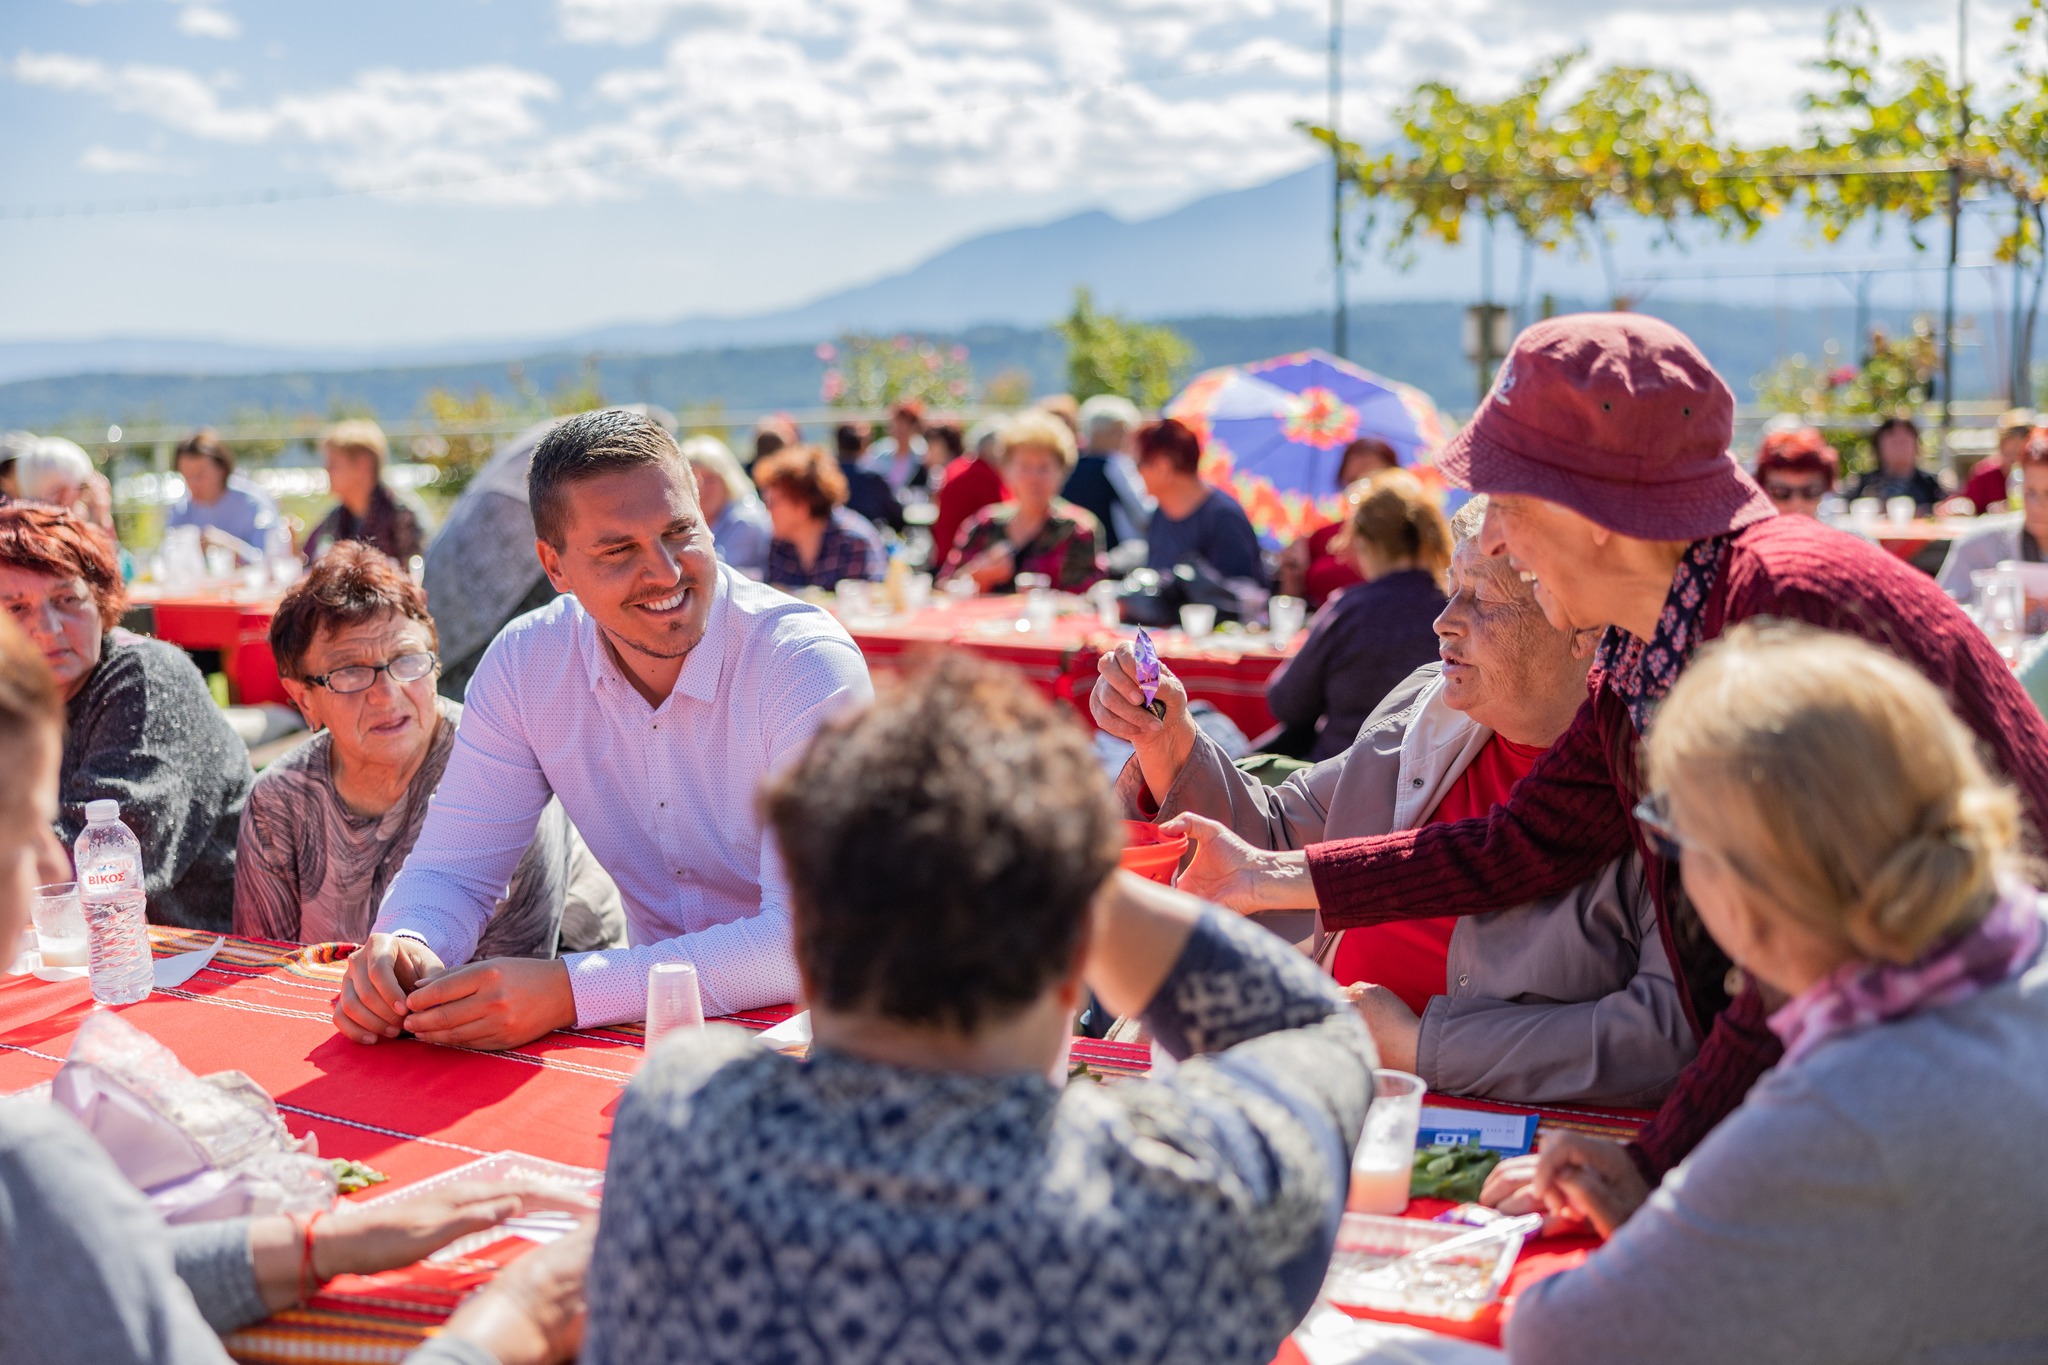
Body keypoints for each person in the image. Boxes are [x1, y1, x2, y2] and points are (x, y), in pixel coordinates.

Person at [1128, 313, 2048, 1183]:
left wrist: (1651, 1172)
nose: (1493, 535)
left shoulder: (1776, 603)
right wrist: (1261, 872)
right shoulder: (1656, 630)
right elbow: (1527, 842)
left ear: (1593, 513)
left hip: (1987, 1056)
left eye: (1507, 505)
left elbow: (1801, 957)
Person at [580, 656, 1374, 1364]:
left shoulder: (681, 1119)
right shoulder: (1177, 1207)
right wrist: (1072, 878)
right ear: (1075, 958)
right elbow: (1313, 1030)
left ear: (809, 949)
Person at [0, 614, 594, 1365]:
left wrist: (319, 1242)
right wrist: (512, 1324)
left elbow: (93, 1278)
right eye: (27, 832)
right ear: (304, 697)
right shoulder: (23, 1164)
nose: (57, 871)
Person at [1500, 625, 2048, 1364]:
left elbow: (1558, 1335)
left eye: (1669, 828)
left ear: (1749, 886)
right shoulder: (2014, 951)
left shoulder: (1851, 1096)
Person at [1099, 497, 1693, 1107]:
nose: (1444, 622)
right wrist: (1169, 742)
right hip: (1328, 1084)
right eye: (1450, 590)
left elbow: (1663, 1038)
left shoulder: (1657, 778)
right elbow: (1274, 838)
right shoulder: (1426, 708)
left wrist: (1418, 1047)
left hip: (1505, 1142)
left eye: (1481, 598)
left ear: (1583, 622)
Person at [333, 409, 872, 1051]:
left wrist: (569, 991)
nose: (667, 572)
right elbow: (455, 871)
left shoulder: (802, 665)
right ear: (554, 568)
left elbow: (803, 940)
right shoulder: (528, 663)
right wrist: (408, 942)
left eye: (681, 532)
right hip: (646, 1032)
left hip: (845, 1030)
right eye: (619, 551)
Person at [236, 543, 623, 955]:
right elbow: (264, 969)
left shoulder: (502, 768)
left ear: (434, 660)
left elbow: (512, 970)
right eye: (350, 672)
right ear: (303, 698)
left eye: (406, 660)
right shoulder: (279, 801)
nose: (387, 696)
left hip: (562, 998)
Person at [0, 505, 249, 931]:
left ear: (101, 602)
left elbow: (102, 866)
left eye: (66, 600)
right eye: (17, 608)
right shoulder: (16, 694)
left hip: (186, 960)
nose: (49, 629)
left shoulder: (146, 680)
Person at [1264, 469, 1451, 762]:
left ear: (1365, 542)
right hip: (1432, 774)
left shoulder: (1351, 609)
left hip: (1340, 776)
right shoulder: (1455, 607)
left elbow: (1286, 702)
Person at [938, 410, 1103, 593]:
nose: (1034, 478)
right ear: (1006, 470)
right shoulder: (984, 525)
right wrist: (977, 576)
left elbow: (1089, 600)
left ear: (1062, 472)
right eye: (1025, 467)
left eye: (1044, 467)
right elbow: (942, 591)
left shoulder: (1078, 530)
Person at [1137, 416, 1264, 583]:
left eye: (1139, 464)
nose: (1137, 472)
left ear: (1163, 467)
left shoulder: (1224, 518)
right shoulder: (1161, 512)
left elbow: (1244, 596)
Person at [1277, 436, 1400, 606]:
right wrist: (1292, 573)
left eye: (1371, 480)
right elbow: (1291, 602)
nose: (1360, 489)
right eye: (1352, 481)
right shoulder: (1319, 538)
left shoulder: (1406, 537)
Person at [1937, 427, 2048, 608]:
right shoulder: (1981, 542)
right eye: (2030, 492)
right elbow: (1940, 613)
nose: (2038, 505)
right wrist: (1995, 608)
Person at [756, 444, 887, 589]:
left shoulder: (854, 542)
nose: (767, 510)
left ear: (802, 507)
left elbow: (866, 603)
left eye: (772, 502)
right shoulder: (778, 545)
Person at [303, 420, 429, 567]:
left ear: (364, 464)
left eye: (333, 463)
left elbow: (421, 575)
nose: (327, 470)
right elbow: (308, 562)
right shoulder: (337, 518)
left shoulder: (402, 514)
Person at [165, 429, 281, 561]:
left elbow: (270, 560)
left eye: (200, 475)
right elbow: (168, 557)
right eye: (186, 476)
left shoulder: (253, 504)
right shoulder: (182, 508)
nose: (193, 484)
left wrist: (229, 546)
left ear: (222, 468)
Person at [1061, 393, 1150, 552]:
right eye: (1120, 432)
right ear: (1100, 433)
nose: (1125, 439)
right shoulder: (1114, 464)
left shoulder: (1071, 462)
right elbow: (1142, 514)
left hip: (1073, 548)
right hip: (1113, 553)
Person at [678, 435, 770, 578]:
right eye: (693, 480)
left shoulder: (745, 521)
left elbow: (713, 573)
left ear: (728, 480)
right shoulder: (686, 522)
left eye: (710, 479)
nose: (701, 488)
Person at [927, 418, 1008, 568]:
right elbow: (1006, 515)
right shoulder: (985, 477)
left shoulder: (956, 467)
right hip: (963, 561)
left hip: (944, 555)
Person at [1843, 413, 1945, 514]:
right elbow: (1842, 506)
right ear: (1878, 446)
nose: (1899, 446)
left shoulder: (1931, 484)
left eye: (1904, 441)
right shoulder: (1862, 483)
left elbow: (1946, 507)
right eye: (1893, 442)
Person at [16, 437, 115, 537]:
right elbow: (112, 552)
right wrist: (100, 521)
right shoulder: (65, 541)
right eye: (83, 487)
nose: (86, 496)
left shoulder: (16, 531)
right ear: (61, 494)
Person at [1751, 423, 1838, 519]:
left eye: (1810, 492)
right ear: (1762, 489)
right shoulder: (1746, 532)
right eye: (1781, 492)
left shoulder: (1838, 531)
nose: (1796, 505)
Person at [1958, 406, 2034, 514]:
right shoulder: (1985, 475)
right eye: (2009, 454)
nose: (2015, 461)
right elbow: (1968, 505)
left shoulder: (2040, 476)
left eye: (2020, 455)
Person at [833, 423, 904, 533]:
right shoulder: (874, 480)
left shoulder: (825, 480)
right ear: (863, 446)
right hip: (872, 538)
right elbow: (896, 516)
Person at [862, 398, 928, 494]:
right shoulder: (878, 453)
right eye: (896, 423)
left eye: (906, 425)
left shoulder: (922, 457)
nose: (899, 429)